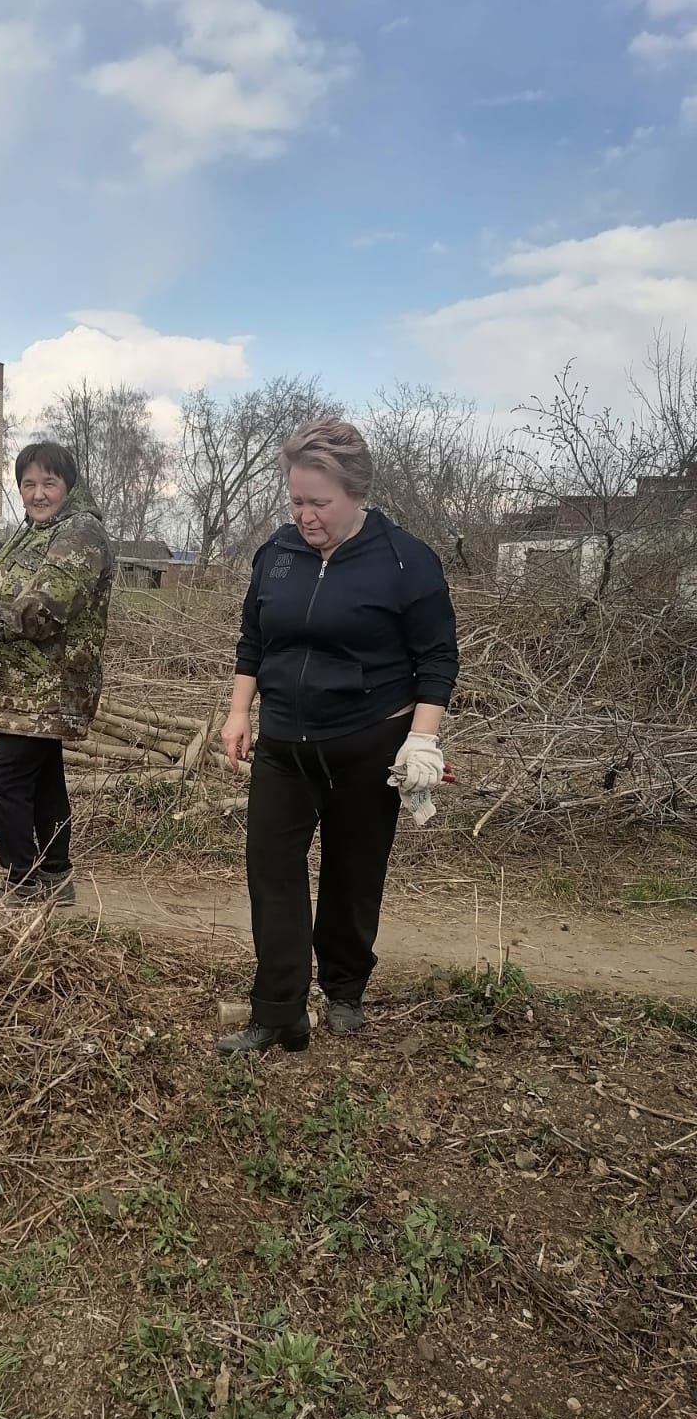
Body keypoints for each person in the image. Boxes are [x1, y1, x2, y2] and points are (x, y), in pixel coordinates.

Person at [217, 417, 459, 1057]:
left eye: (318, 502)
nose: (305, 515)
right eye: (295, 500)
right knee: (272, 874)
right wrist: (240, 712)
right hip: (284, 745)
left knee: (354, 873)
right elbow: (254, 639)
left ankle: (345, 989)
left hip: (367, 742)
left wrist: (423, 741)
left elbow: (437, 659)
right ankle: (279, 1013)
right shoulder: (277, 552)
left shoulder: (406, 560)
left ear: (356, 492)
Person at [0, 441, 115, 904]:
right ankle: (55, 874)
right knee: (44, 776)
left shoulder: (81, 532)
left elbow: (50, 600)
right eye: (29, 483)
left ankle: (23, 882)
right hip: (22, 686)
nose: (38, 493)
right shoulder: (31, 531)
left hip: (50, 687)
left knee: (3, 777)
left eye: (49, 482)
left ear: (69, 485)